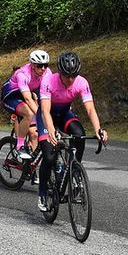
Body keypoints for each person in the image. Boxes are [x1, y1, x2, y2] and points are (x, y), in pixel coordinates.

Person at [36, 52, 107, 212]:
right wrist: (52, 132)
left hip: (64, 114)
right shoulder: (48, 80)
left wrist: (98, 129)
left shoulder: (81, 82)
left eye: (73, 76)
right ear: (59, 72)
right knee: (48, 156)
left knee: (79, 134)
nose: (70, 80)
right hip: (46, 117)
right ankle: (42, 194)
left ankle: (74, 171)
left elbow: (90, 109)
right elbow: (45, 111)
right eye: (67, 76)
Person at [0, 50, 50, 159]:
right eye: (40, 66)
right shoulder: (22, 74)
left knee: (35, 133)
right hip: (11, 97)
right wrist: (41, 115)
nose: (43, 69)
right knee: (28, 113)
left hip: (26, 94)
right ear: (32, 65)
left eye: (45, 65)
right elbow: (27, 98)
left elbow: (50, 93)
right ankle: (20, 145)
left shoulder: (47, 72)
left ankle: (30, 163)